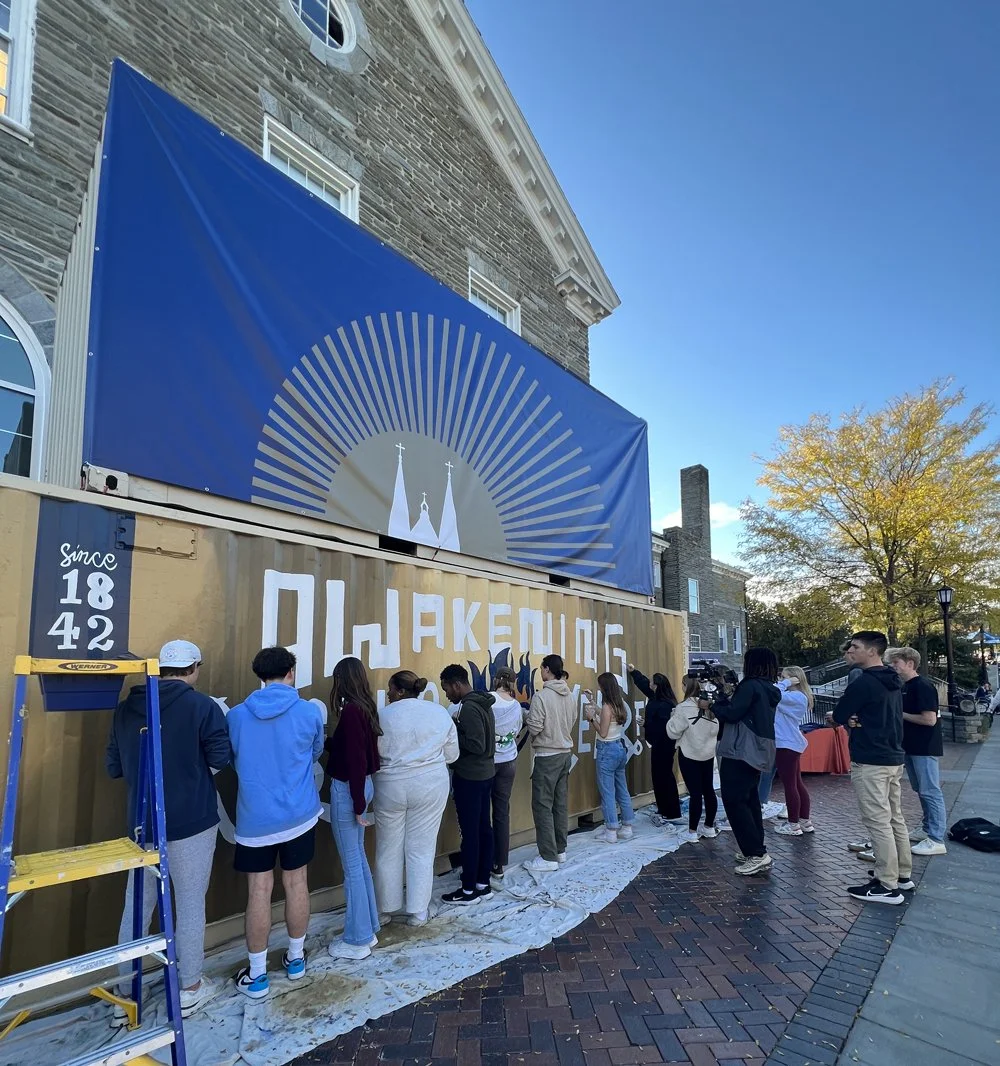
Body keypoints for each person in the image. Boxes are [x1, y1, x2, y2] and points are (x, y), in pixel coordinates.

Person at [106, 639, 231, 1019]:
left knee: (136, 907)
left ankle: (125, 997)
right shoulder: (202, 707)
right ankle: (190, 986)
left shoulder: (126, 709)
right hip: (192, 820)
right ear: (194, 668)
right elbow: (221, 758)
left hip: (141, 824)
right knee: (190, 902)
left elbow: (114, 767)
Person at [228, 646, 324, 997]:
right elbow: (315, 752)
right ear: (291, 673)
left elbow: (229, 757)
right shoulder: (308, 712)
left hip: (255, 820)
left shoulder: (236, 716)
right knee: (297, 884)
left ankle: (257, 975)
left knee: (259, 891)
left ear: (260, 676)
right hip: (299, 815)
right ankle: (296, 961)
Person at [374, 670, 459, 926]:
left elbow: (373, 755)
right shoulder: (438, 713)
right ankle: (418, 911)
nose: (388, 694)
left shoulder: (381, 717)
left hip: (389, 786)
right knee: (421, 848)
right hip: (430, 784)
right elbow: (452, 755)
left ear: (399, 691)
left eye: (390, 689)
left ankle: (385, 909)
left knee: (387, 848)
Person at [834, 631, 911, 905]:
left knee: (877, 821)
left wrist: (850, 719)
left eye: (855, 647)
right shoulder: (893, 680)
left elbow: (839, 715)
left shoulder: (864, 682)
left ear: (872, 651)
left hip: (871, 759)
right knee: (894, 817)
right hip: (892, 756)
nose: (850, 651)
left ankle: (887, 885)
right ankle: (902, 874)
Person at [326, 656, 382, 958]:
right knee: (358, 860)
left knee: (352, 865)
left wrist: (358, 805)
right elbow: (357, 751)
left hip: (349, 789)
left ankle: (358, 939)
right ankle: (368, 928)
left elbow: (356, 759)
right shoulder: (364, 707)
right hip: (360, 786)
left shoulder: (350, 711)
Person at [714, 647, 780, 876]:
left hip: (741, 750)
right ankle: (754, 849)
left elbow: (732, 713)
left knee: (734, 801)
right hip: (760, 750)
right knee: (749, 800)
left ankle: (756, 854)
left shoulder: (750, 685)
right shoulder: (768, 688)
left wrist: (712, 705)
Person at [439, 664, 496, 905]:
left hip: (471, 778)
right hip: (485, 775)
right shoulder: (482, 703)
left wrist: (454, 729)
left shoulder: (470, 708)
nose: (447, 695)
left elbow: (476, 745)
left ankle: (469, 889)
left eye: (447, 689)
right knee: (484, 829)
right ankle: (483, 882)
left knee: (471, 834)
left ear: (457, 684)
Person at [886, 647, 947, 857]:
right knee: (922, 789)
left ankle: (937, 838)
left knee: (930, 790)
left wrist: (900, 714)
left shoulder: (922, 686)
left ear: (910, 663)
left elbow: (929, 719)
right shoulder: (907, 686)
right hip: (912, 746)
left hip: (924, 746)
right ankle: (928, 828)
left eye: (896, 663)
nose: (893, 666)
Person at [524, 654, 578, 873]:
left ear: (547, 670)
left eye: (541, 669)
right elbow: (572, 720)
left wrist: (526, 718)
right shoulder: (569, 695)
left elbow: (535, 727)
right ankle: (560, 850)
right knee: (559, 804)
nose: (541, 673)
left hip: (547, 755)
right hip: (565, 753)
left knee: (542, 805)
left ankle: (547, 856)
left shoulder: (542, 696)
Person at [583, 673, 636, 844]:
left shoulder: (607, 707)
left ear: (604, 687)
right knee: (622, 789)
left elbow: (602, 731)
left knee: (607, 792)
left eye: (599, 685)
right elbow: (607, 716)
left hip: (607, 751)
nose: (598, 687)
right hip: (619, 749)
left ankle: (611, 830)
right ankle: (627, 827)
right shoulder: (618, 704)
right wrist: (592, 702)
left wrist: (591, 719)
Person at [666, 676, 719, 844]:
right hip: (708, 753)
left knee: (695, 793)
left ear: (685, 686)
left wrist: (672, 716)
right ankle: (709, 826)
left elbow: (672, 732)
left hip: (689, 753)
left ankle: (692, 831)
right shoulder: (711, 706)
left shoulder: (683, 708)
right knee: (709, 790)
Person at [628, 664, 683, 826]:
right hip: (659, 744)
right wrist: (634, 672)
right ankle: (664, 809)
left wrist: (646, 724)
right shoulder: (657, 697)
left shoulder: (666, 705)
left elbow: (663, 728)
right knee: (658, 777)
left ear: (657, 686)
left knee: (664, 777)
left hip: (665, 745)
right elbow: (644, 684)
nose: (649, 684)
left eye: (652, 682)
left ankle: (672, 812)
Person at [490, 667, 525, 879]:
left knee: (482, 812)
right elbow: (517, 730)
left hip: (489, 762)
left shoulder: (488, 700)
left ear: (495, 680)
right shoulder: (516, 706)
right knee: (502, 812)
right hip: (509, 761)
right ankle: (500, 863)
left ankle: (483, 858)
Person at [773, 668, 814, 837]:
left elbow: (773, 693)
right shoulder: (799, 697)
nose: (780, 679)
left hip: (785, 743)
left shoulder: (794, 697)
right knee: (796, 783)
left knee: (790, 785)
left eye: (783, 677)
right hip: (790, 743)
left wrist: (786, 683)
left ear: (795, 680)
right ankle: (804, 821)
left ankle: (793, 824)